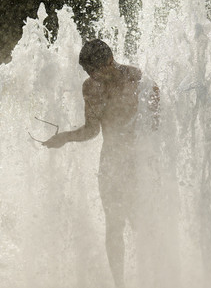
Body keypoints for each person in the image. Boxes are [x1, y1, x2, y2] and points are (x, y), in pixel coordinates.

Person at [43, 39, 159, 288]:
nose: (92, 76)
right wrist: (64, 138)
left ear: (109, 60)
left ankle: (156, 278)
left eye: (95, 70)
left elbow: (158, 118)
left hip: (139, 162)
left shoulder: (136, 79)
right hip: (110, 162)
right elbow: (92, 130)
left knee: (141, 223)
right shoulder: (90, 87)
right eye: (87, 71)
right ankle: (120, 284)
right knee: (114, 226)